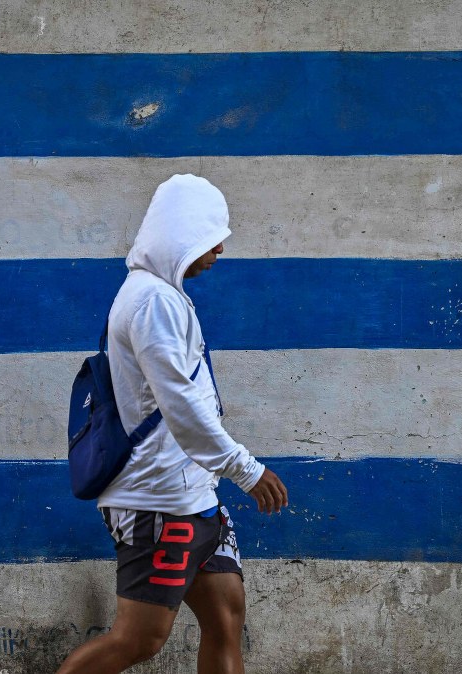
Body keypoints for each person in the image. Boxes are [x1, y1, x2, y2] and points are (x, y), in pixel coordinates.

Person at [57, 174, 289, 674]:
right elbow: (180, 403)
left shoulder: (163, 295)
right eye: (210, 237)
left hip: (193, 496)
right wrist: (245, 470)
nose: (221, 249)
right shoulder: (152, 301)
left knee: (226, 619)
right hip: (158, 502)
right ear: (178, 235)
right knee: (138, 641)